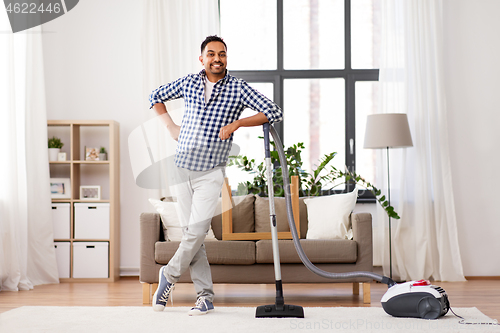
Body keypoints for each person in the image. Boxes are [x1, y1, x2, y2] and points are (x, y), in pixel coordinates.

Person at [148, 35, 283, 316]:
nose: (216, 59)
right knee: (192, 235)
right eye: (211, 54)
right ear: (202, 59)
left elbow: (273, 111)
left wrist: (237, 122)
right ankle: (205, 297)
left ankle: (168, 276)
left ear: (226, 58)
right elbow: (155, 97)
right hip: (181, 168)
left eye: (221, 54)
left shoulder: (237, 88)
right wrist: (171, 127)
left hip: (211, 172)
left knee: (197, 231)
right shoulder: (188, 82)